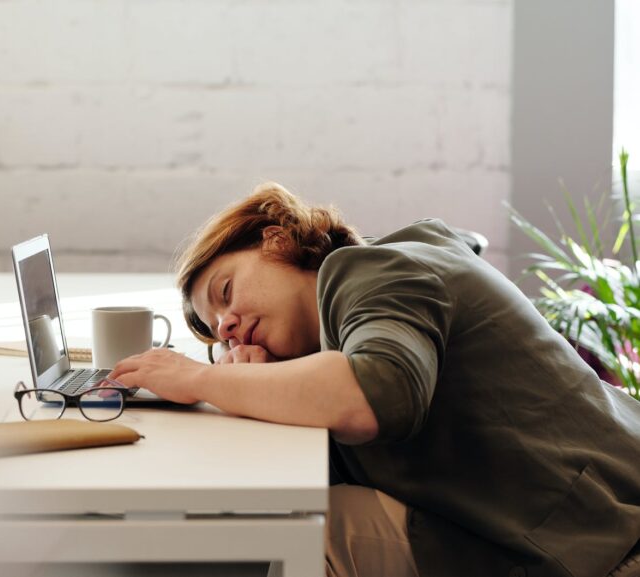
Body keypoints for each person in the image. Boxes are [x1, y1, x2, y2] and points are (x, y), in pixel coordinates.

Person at [107, 182, 640, 577]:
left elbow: (377, 395)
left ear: (276, 241)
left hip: (601, 541)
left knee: (287, 532)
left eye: (225, 291)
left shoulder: (366, 271)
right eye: (219, 335)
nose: (226, 326)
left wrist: (200, 380)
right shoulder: (361, 303)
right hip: (572, 519)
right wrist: (258, 387)